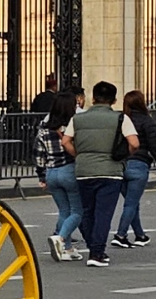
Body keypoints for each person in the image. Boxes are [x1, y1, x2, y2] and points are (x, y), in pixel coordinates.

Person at [61, 82, 141, 268]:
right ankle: (97, 252)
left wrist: (79, 155)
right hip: (110, 171)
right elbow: (135, 143)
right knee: (103, 213)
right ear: (114, 100)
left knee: (87, 211)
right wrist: (124, 156)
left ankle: (93, 246)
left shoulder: (78, 118)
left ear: (93, 98)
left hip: (84, 170)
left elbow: (65, 141)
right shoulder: (121, 118)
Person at [32, 91, 81, 260]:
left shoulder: (43, 129)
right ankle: (60, 238)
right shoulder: (72, 127)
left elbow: (38, 154)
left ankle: (66, 248)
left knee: (63, 211)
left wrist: (41, 176)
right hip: (69, 169)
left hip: (51, 171)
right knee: (77, 211)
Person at [116, 90, 156, 247]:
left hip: (121, 164)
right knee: (131, 203)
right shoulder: (147, 121)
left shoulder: (121, 120)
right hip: (139, 163)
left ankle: (140, 235)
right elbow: (154, 146)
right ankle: (121, 235)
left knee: (132, 202)